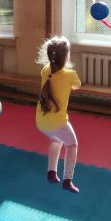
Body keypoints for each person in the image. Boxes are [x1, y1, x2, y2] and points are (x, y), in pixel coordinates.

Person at [35, 36, 81, 193]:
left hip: (41, 122)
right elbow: (77, 86)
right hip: (58, 123)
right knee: (72, 145)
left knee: (56, 140)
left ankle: (51, 172)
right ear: (67, 56)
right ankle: (68, 179)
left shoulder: (45, 71)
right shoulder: (70, 75)